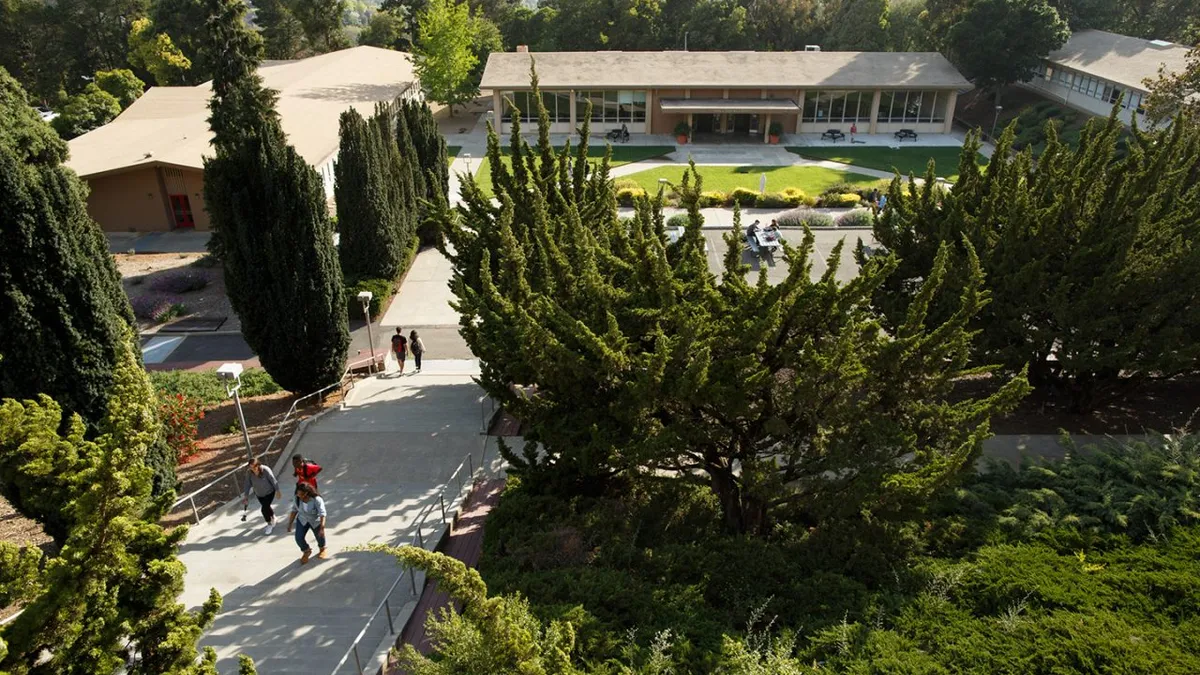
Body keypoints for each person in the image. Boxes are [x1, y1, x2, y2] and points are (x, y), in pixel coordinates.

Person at [286, 482, 328, 564]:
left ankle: (322, 548)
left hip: (314, 521)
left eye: (301, 494)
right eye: (298, 494)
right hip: (302, 520)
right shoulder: (297, 498)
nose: (299, 496)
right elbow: (294, 510)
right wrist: (290, 523)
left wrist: (322, 528)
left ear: (306, 493)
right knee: (298, 538)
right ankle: (306, 551)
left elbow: (322, 514)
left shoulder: (317, 500)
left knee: (319, 536)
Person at [242, 457, 281, 534]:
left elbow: (273, 480)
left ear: (258, 465)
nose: (253, 469)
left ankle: (269, 524)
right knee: (266, 506)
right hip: (259, 494)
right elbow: (247, 484)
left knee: (264, 509)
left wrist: (277, 490)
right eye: (251, 467)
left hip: (269, 492)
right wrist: (246, 496)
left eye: (254, 467)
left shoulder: (265, 470)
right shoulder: (249, 473)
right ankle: (273, 517)